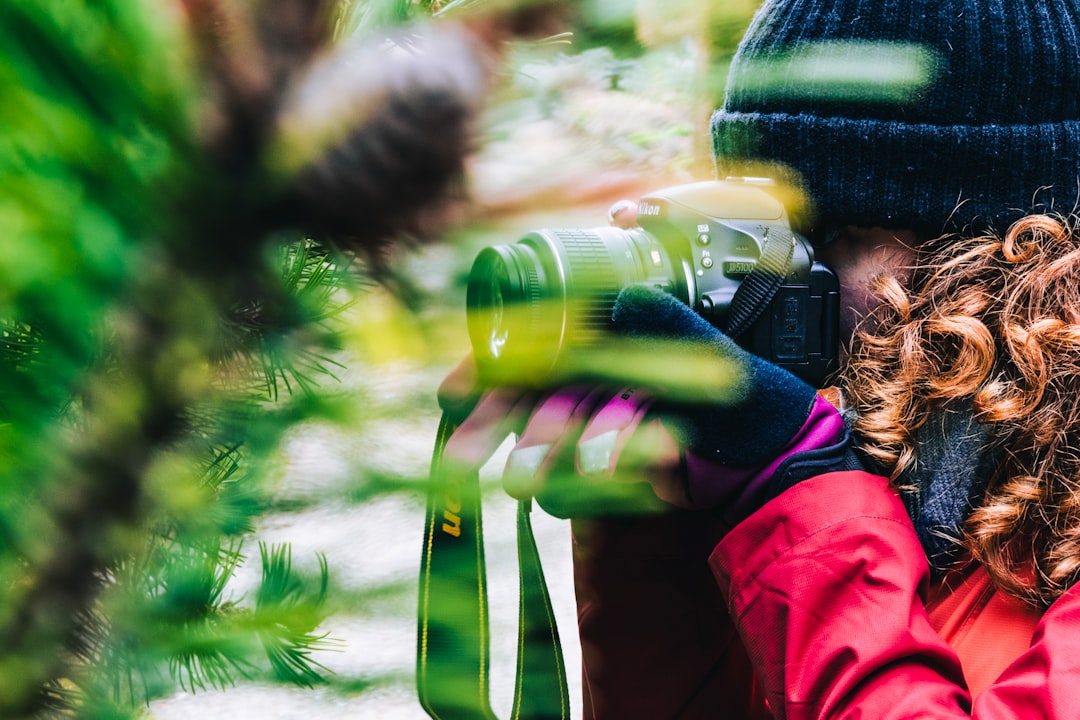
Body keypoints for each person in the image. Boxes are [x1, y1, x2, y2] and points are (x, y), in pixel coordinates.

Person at [441, 0, 1080, 717]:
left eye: (825, 233)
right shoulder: (892, 461)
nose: (771, 285)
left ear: (1019, 258)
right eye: (750, 233)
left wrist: (794, 492)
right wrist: (668, 523)